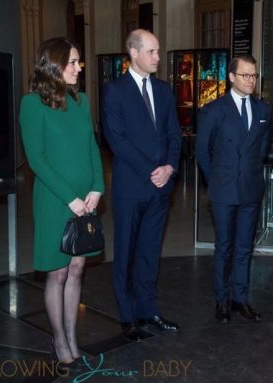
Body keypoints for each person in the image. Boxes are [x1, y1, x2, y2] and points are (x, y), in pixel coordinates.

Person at [19, 38, 104, 366]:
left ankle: (71, 334)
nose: (78, 68)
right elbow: (36, 159)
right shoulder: (31, 104)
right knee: (57, 272)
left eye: (78, 62)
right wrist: (70, 198)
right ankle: (58, 337)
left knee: (78, 268)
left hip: (87, 200)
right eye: (72, 62)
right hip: (56, 200)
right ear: (52, 65)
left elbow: (93, 148)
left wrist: (97, 188)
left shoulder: (80, 100)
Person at [102, 29, 182, 341]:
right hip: (131, 185)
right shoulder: (115, 90)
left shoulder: (163, 90)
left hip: (160, 187)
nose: (158, 58)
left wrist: (170, 167)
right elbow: (116, 140)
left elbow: (175, 134)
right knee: (126, 251)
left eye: (158, 51)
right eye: (152, 52)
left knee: (150, 251)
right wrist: (154, 169)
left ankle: (148, 311)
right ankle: (127, 316)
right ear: (133, 53)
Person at [195, 55, 273, 324]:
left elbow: (262, 150)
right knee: (224, 247)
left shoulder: (263, 110)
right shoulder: (214, 110)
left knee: (244, 248)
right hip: (223, 191)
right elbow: (202, 152)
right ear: (231, 77)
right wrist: (215, 180)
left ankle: (241, 299)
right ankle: (222, 300)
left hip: (251, 189)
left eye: (253, 76)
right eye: (245, 75)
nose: (251, 80)